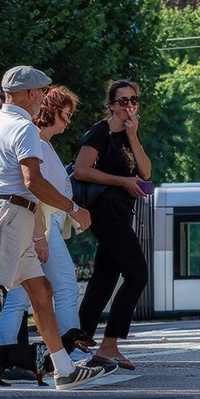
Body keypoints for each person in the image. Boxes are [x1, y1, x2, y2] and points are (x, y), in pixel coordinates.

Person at [0, 66, 104, 389]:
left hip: (16, 215)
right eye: (40, 92)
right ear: (29, 94)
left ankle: (63, 368)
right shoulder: (24, 128)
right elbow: (33, 182)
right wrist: (74, 208)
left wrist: (38, 230)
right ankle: (63, 366)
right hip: (11, 214)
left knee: (42, 292)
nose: (42, 98)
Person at [0, 86, 88, 360]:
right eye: (66, 114)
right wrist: (43, 235)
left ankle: (4, 355)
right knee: (65, 288)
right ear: (52, 110)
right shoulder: (35, 139)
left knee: (19, 296)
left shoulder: (42, 142)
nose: (69, 121)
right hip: (42, 227)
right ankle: (73, 354)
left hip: (35, 225)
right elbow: (34, 188)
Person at [74, 79, 152, 371]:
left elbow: (145, 171)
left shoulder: (128, 134)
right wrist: (122, 181)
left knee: (105, 276)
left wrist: (133, 135)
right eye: (123, 101)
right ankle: (109, 344)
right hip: (105, 212)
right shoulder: (100, 131)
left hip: (122, 213)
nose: (129, 106)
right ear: (111, 105)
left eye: (134, 100)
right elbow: (81, 170)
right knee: (137, 274)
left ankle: (78, 336)